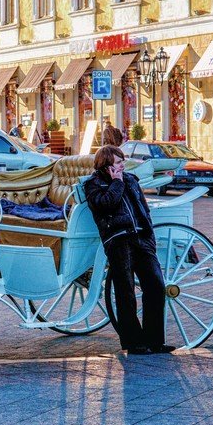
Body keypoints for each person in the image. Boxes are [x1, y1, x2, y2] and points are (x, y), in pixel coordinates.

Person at [84, 145, 169, 355]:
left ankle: (154, 340)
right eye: (118, 163)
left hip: (141, 236)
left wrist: (149, 235)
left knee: (156, 286)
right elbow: (105, 205)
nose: (123, 165)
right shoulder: (94, 184)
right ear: (106, 167)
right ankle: (133, 342)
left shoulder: (131, 179)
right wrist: (115, 183)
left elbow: (143, 208)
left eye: (122, 161)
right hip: (118, 240)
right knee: (125, 291)